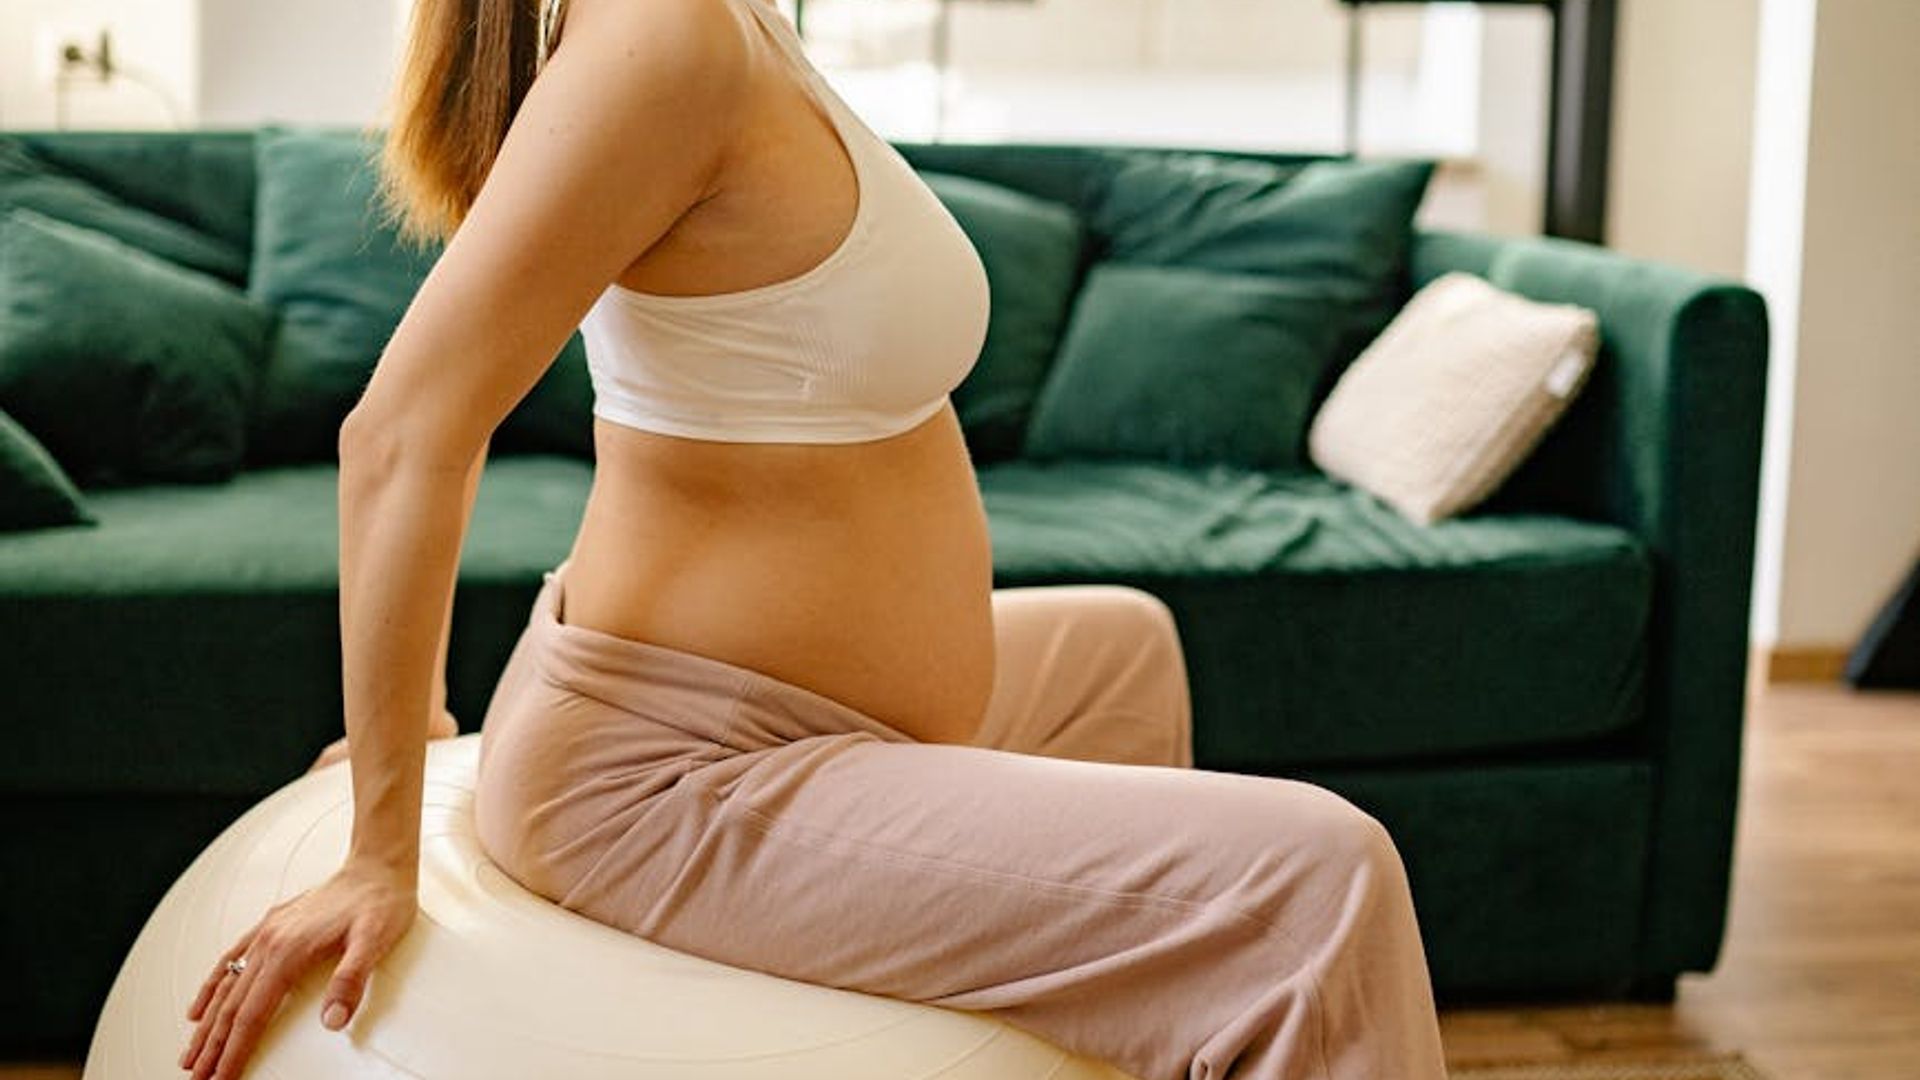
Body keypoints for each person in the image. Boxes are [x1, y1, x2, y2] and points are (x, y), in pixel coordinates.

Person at [177, 0, 1452, 1077]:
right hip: (670, 777)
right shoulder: (661, 40)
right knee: (1319, 886)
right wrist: (380, 843)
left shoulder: (728, 25)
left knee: (1127, 649)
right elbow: (399, 435)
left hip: (789, 719)